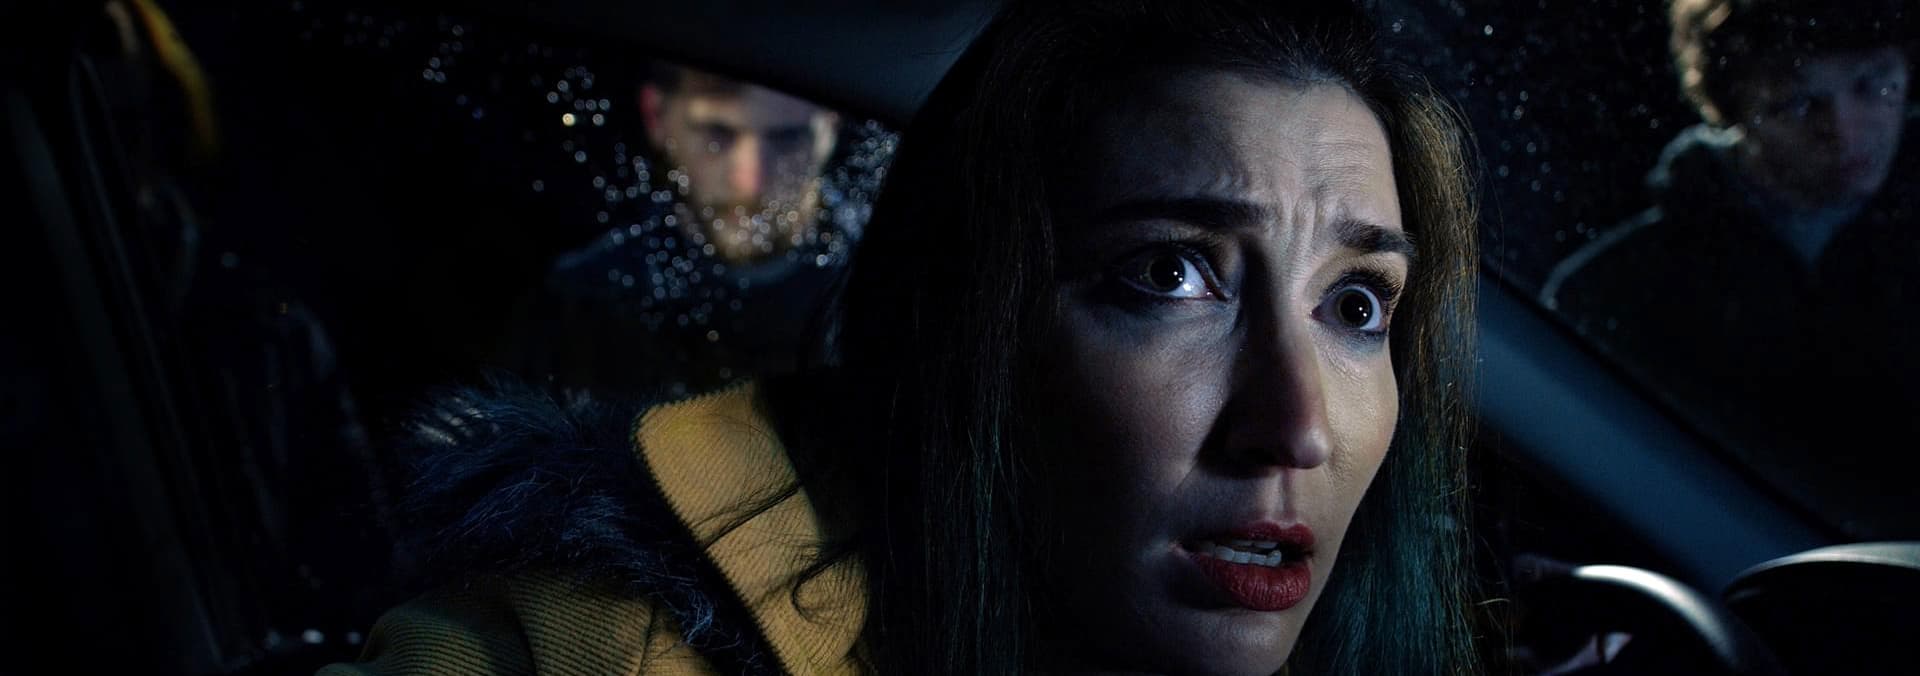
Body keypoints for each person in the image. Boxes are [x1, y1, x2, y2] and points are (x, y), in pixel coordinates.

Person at [323, 1, 1483, 673]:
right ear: (972, 327)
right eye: (1169, 274)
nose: (1298, 426)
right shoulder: (588, 646)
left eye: (1355, 303)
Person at [1541, 0, 1918, 537]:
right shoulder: (1610, 295)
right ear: (1734, 106)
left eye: (1873, 85)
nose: (1844, 131)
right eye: (1798, 103)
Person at [501, 63, 864, 397]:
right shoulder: (581, 303)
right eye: (717, 133)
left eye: (788, 137)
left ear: (832, 126)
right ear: (656, 116)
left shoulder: (880, 285)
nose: (750, 181)